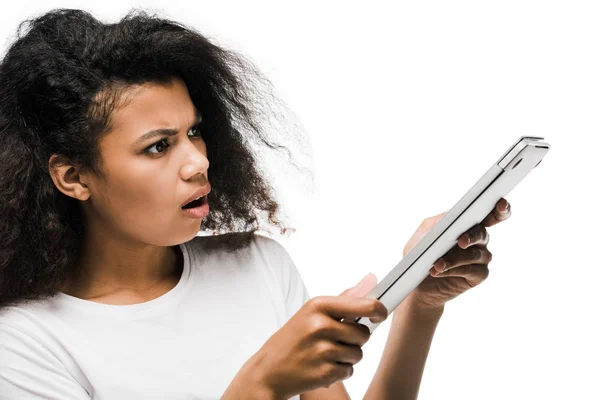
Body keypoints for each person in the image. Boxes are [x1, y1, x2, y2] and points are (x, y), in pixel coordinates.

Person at [0, 8, 512, 400]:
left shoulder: (256, 265)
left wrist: (420, 310)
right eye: (158, 146)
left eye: (194, 132)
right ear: (72, 177)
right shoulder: (24, 342)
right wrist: (261, 384)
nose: (197, 161)